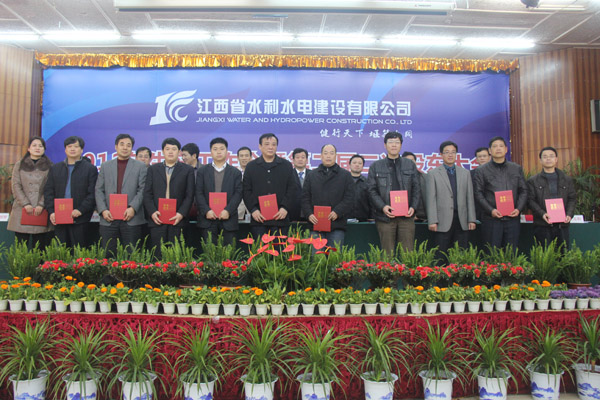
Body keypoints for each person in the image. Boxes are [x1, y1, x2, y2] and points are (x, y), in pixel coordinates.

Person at [367, 131, 421, 254]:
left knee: (408, 253)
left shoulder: (409, 164)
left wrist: (413, 207)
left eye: (397, 142)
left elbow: (416, 188)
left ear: (401, 145)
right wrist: (383, 207)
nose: (394, 145)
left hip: (406, 217)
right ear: (385, 145)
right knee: (387, 254)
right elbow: (371, 190)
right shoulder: (376, 166)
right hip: (385, 217)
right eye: (391, 142)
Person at [95, 134, 147, 258]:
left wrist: (133, 208)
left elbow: (142, 190)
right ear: (116, 147)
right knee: (108, 254)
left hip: (131, 218)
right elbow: (98, 189)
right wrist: (103, 210)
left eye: (128, 145)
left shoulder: (140, 166)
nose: (125, 148)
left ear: (132, 148)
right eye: (122, 144)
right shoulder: (105, 166)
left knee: (132, 255)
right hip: (109, 217)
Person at [143, 138, 195, 259]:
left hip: (177, 219)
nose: (170, 152)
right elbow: (147, 194)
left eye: (174, 149)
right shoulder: (153, 169)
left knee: (176, 256)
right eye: (167, 149)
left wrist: (181, 214)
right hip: (157, 218)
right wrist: (152, 212)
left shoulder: (187, 170)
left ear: (179, 152)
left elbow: (190, 195)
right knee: (157, 255)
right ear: (162, 151)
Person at [426, 141, 477, 263]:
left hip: (461, 220)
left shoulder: (465, 173)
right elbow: (431, 199)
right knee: (441, 255)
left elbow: (469, 197)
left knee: (461, 254)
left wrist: (471, 219)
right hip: (442, 221)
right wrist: (432, 220)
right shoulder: (433, 174)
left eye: (453, 152)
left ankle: (460, 276)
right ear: (441, 154)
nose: (450, 155)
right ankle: (441, 276)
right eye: (447, 152)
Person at [473, 136, 528, 249]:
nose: (498, 148)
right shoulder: (481, 170)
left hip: (512, 218)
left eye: (501, 146)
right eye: (495, 146)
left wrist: (518, 209)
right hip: (491, 219)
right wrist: (491, 210)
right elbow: (478, 193)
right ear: (490, 151)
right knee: (491, 251)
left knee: (511, 251)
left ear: (506, 149)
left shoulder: (516, 168)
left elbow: (523, 190)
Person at [44, 136, 98, 248]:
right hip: (59, 216)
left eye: (76, 146)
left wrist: (80, 210)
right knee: (61, 251)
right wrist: (52, 212)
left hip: (80, 218)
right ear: (65, 149)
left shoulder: (90, 169)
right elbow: (48, 191)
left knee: (79, 251)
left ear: (81, 150)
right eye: (69, 146)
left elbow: (93, 193)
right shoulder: (55, 168)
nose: (72, 149)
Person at [242, 133, 297, 238]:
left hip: (280, 218)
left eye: (273, 144)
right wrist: (253, 210)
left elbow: (292, 189)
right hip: (259, 219)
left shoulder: (286, 165)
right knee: (260, 248)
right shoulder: (251, 166)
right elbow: (246, 190)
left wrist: (285, 208)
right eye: (267, 144)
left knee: (280, 248)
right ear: (260, 146)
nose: (270, 147)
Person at [302, 144, 354, 246]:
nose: (328, 156)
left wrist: (337, 212)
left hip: (336, 224)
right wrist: (309, 214)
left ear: (336, 156)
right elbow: (305, 198)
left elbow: (349, 198)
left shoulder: (345, 175)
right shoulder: (312, 175)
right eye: (325, 153)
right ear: (321, 156)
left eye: (331, 153)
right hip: (316, 223)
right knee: (316, 255)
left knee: (334, 254)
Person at [7, 136, 53, 250]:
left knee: (40, 248)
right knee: (21, 248)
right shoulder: (19, 164)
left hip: (41, 210)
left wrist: (41, 204)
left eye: (40, 146)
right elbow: (16, 185)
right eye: (34, 145)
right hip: (22, 209)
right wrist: (25, 203)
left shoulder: (50, 166)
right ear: (28, 148)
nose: (37, 148)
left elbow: (50, 187)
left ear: (44, 149)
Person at [196, 137, 243, 245]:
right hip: (207, 219)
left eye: (222, 149)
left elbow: (238, 194)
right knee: (209, 252)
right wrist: (207, 210)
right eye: (215, 149)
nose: (218, 152)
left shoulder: (235, 172)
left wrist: (228, 210)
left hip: (228, 219)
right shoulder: (202, 171)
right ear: (210, 152)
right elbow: (198, 193)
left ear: (227, 151)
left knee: (229, 253)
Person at [527, 146, 576, 247]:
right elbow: (530, 200)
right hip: (542, 224)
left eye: (551, 156)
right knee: (544, 253)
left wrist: (569, 214)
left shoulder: (566, 179)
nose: (548, 159)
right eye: (545, 157)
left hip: (562, 224)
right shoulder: (533, 180)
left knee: (563, 252)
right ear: (540, 160)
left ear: (556, 159)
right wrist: (542, 213)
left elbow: (572, 198)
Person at [402, 151, 427, 220]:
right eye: (407, 160)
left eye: (412, 160)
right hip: (407, 217)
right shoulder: (399, 178)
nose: (411, 162)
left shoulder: (425, 177)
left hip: (424, 216)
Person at [347, 154, 371, 221]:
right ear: (349, 165)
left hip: (363, 218)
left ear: (363, 166)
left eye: (360, 163)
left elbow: (371, 202)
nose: (357, 165)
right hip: (345, 218)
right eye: (354, 163)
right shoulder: (343, 181)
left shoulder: (367, 182)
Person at [289, 148, 310, 221]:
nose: (300, 159)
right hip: (292, 213)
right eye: (297, 157)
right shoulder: (288, 175)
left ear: (306, 160)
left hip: (310, 214)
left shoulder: (313, 175)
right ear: (293, 160)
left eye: (303, 157)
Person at [471, 147, 491, 221]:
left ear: (489, 157)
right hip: (476, 211)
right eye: (479, 156)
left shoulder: (497, 173)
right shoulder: (470, 174)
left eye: (484, 156)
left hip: (493, 211)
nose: (482, 158)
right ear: (476, 159)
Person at [236, 146, 252, 221]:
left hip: (253, 210)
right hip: (238, 209)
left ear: (250, 157)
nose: (244, 158)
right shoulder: (233, 172)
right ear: (238, 158)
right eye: (241, 156)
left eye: (246, 155)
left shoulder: (256, 172)